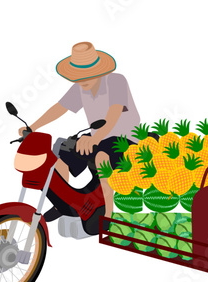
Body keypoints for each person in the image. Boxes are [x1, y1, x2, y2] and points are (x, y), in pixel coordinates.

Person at [18, 41, 140, 222]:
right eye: (79, 75)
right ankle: (65, 204)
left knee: (102, 158)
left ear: (98, 70)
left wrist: (95, 138)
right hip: (95, 137)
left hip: (125, 138)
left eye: (87, 74)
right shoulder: (81, 87)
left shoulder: (116, 81)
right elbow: (59, 108)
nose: (82, 79)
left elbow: (113, 114)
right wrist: (33, 128)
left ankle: (108, 214)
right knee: (60, 159)